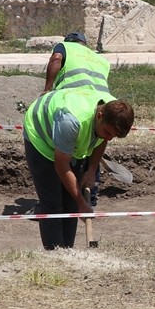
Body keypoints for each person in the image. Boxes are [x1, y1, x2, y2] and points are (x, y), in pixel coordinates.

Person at [22, 88, 135, 250]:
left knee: (71, 205)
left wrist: (91, 170)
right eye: (108, 133)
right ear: (99, 115)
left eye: (113, 136)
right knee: (53, 204)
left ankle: (68, 251)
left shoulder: (111, 111)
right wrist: (82, 203)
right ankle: (55, 256)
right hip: (41, 136)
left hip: (70, 139)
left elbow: (102, 139)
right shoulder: (71, 121)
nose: (109, 138)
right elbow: (61, 165)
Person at [43, 31, 112, 206]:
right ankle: (90, 198)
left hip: (74, 102)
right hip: (100, 102)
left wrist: (48, 89)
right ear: (84, 44)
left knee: (63, 150)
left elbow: (56, 59)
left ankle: (61, 200)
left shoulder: (65, 48)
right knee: (93, 143)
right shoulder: (97, 57)